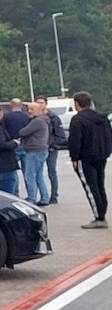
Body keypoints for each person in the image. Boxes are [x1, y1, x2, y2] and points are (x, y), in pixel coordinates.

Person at [69, 91, 109, 228]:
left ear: (76, 104)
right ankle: (102, 211)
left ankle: (99, 217)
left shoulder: (78, 120)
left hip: (85, 158)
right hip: (101, 155)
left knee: (91, 187)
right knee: (99, 185)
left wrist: (74, 158)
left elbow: (75, 141)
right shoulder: (103, 118)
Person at [14, 102, 51, 206]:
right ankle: (44, 198)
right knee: (38, 176)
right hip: (41, 150)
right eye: (29, 109)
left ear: (39, 110)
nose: (29, 111)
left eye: (32, 109)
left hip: (35, 151)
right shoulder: (43, 120)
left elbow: (23, 132)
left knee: (30, 175)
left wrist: (22, 130)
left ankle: (31, 199)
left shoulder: (37, 121)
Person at [39, 97, 66, 206]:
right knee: (37, 174)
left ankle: (54, 196)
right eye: (37, 103)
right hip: (39, 149)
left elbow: (60, 135)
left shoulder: (54, 118)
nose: (39, 105)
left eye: (41, 103)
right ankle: (42, 196)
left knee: (52, 172)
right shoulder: (35, 118)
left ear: (46, 104)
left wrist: (53, 146)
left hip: (51, 149)